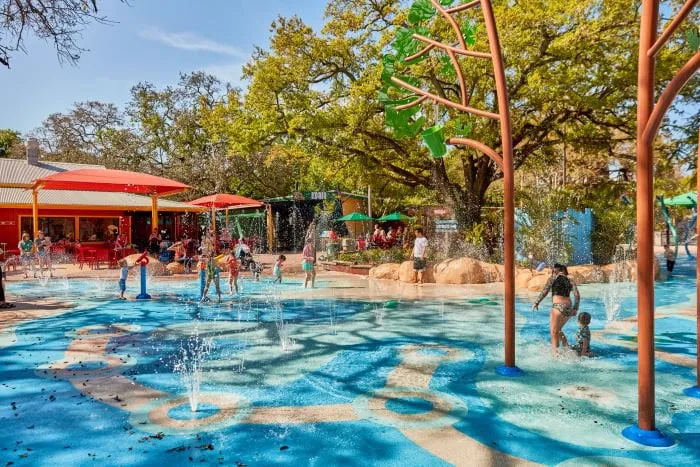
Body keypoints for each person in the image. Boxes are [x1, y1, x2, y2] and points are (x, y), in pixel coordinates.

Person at [533, 264, 581, 353]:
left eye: (553, 270)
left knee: (553, 331)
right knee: (558, 330)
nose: (553, 272)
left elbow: (545, 291)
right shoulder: (570, 280)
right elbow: (577, 295)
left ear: (557, 270)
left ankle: (555, 354)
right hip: (569, 308)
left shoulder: (553, 278)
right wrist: (575, 308)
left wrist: (537, 302)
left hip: (558, 307)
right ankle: (567, 349)